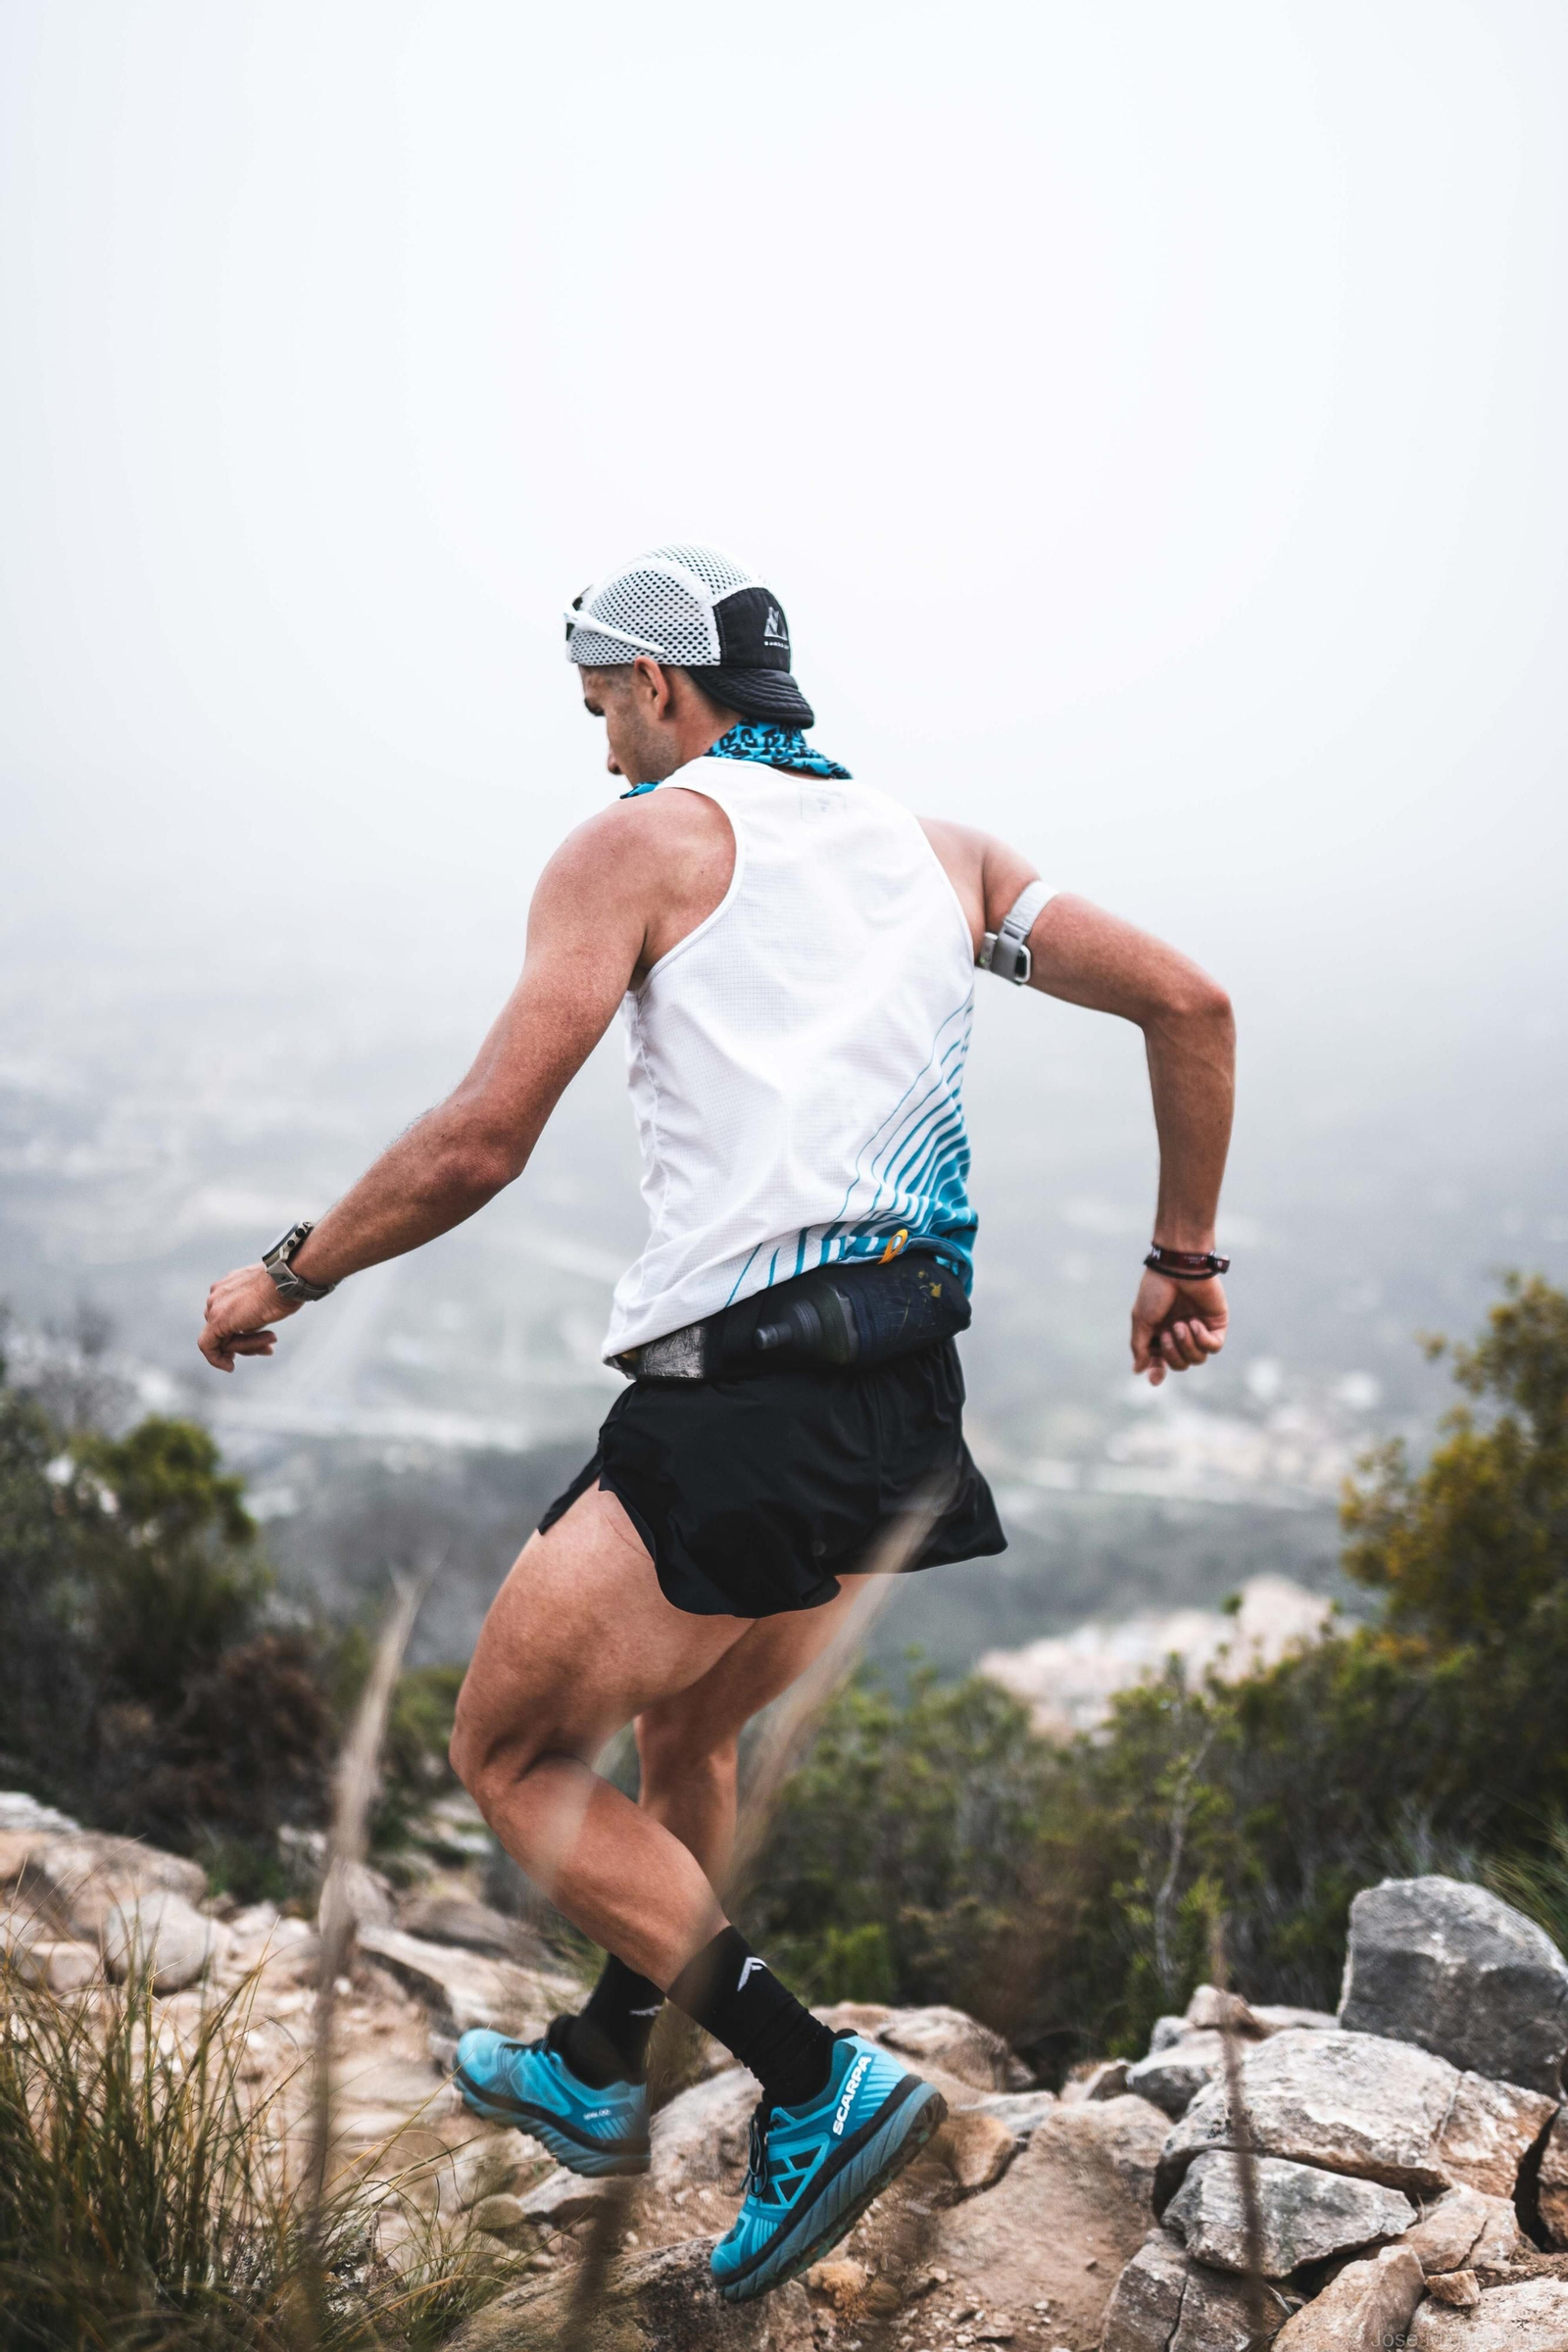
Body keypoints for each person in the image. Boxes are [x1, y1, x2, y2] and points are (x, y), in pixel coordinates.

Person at [198, 543, 1234, 2304]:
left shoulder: (639, 844)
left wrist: (287, 1273)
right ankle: (605, 2066)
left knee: (511, 1756)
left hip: (742, 1404)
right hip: (905, 1410)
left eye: (601, 702)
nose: (599, 739)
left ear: (663, 687)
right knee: (689, 1737)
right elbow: (1190, 1001)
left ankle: (812, 2082)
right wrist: (1181, 1258)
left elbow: (480, 1141)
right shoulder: (944, 858)